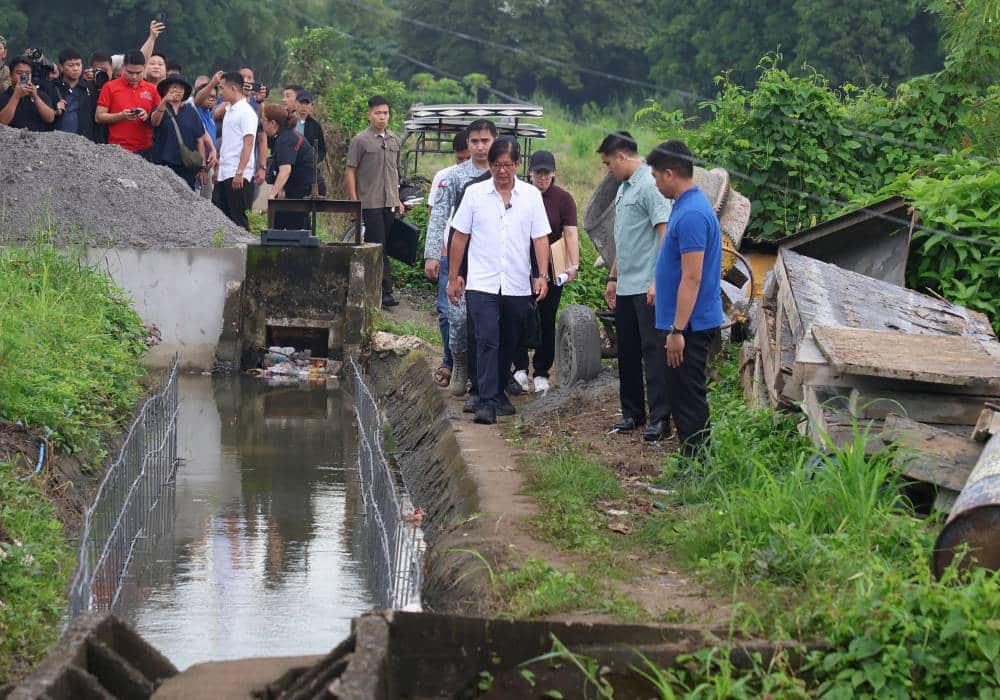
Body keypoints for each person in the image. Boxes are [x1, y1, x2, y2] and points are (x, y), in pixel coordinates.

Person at [447, 137, 551, 425]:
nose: (502, 171)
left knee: (509, 340)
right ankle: (488, 401)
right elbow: (460, 237)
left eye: (507, 165)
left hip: (517, 283)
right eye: (496, 165)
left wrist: (541, 275)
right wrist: (454, 276)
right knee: (487, 339)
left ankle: (494, 394)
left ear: (517, 165)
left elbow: (540, 238)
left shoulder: (531, 196)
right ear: (490, 166)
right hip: (482, 282)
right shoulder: (475, 194)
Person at [649, 140, 723, 456]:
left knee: (689, 399)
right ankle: (690, 462)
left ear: (670, 173)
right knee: (680, 396)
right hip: (683, 324)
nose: (654, 182)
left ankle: (697, 469)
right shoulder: (684, 204)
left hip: (690, 327)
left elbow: (692, 277)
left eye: (655, 175)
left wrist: (678, 330)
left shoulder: (692, 213)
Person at [598, 131, 673, 442]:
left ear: (622, 156)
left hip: (647, 285)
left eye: (608, 163)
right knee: (627, 351)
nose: (607, 169)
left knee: (653, 351)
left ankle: (660, 419)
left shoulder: (649, 186)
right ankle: (632, 413)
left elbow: (665, 233)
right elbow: (625, 240)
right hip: (627, 284)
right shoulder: (624, 188)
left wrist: (659, 278)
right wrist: (613, 277)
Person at [425, 119, 496, 401]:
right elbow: (439, 215)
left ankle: (493, 378)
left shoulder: (503, 173)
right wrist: (432, 254)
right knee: (457, 315)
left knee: (493, 319)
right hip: (459, 256)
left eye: (485, 141)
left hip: (493, 257)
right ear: (467, 144)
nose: (480, 147)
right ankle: (460, 365)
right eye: (474, 141)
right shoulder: (453, 177)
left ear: (495, 140)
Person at [510, 150, 580, 395]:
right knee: (517, 314)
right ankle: (518, 366)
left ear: (554, 173)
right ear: (530, 172)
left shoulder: (563, 199)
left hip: (550, 267)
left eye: (547, 173)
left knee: (546, 318)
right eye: (538, 173)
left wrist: (574, 264)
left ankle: (541, 371)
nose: (543, 178)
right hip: (519, 264)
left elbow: (570, 233)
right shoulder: (518, 194)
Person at [346, 95, 402, 307]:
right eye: (378, 113)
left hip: (390, 201)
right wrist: (354, 202)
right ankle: (384, 291)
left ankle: (377, 288)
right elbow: (350, 170)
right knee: (377, 245)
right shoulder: (360, 140)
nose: (382, 117)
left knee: (385, 245)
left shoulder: (394, 140)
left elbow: (395, 171)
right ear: (369, 114)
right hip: (369, 202)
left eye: (385, 113)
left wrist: (398, 199)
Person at [424, 130, 471, 387]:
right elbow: (436, 216)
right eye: (461, 158)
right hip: (448, 253)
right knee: (446, 311)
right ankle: (449, 361)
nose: (465, 163)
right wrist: (438, 252)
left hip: (476, 256)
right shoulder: (445, 177)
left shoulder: (490, 177)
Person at [150, 74, 215, 190]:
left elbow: (199, 140)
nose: (177, 90)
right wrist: (164, 101)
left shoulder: (191, 111)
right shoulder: (160, 108)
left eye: (181, 88)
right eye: (174, 87)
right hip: (162, 163)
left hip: (186, 166)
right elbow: (154, 122)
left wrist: (202, 168)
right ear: (166, 90)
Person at [260, 104, 321, 230]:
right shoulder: (285, 136)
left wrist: (271, 195)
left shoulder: (285, 139)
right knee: (284, 221)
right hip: (297, 186)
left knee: (288, 225)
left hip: (306, 188)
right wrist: (281, 189)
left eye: (264, 120)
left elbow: (286, 170)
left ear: (273, 123)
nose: (262, 123)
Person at [212, 71, 258, 230]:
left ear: (233, 88)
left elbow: (248, 144)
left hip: (237, 173)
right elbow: (228, 142)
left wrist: (240, 172)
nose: (220, 92)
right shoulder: (229, 110)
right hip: (225, 171)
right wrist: (219, 169)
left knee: (238, 220)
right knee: (220, 215)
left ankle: (243, 252)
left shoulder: (246, 112)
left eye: (222, 88)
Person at [95, 50, 160, 156]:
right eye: (130, 72)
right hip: (116, 149)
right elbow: (98, 117)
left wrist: (147, 116)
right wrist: (121, 115)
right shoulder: (110, 87)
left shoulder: (153, 90)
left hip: (146, 149)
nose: (134, 77)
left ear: (144, 68)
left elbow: (158, 119)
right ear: (123, 67)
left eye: (138, 73)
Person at [53, 49, 98, 141]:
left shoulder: (90, 88)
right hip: (57, 141)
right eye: (71, 65)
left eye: (78, 64)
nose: (76, 68)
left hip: (85, 141)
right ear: (61, 66)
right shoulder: (54, 87)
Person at [0, 56, 56, 131]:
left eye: (27, 73)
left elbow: (50, 118)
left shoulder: (41, 95)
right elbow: (2, 122)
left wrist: (35, 97)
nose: (24, 76)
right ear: (11, 75)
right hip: (12, 140)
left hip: (37, 140)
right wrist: (16, 96)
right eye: (19, 73)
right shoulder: (3, 97)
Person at [295, 90, 326, 162]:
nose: (304, 106)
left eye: (307, 103)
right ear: (296, 103)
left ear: (311, 105)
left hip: (307, 166)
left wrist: (314, 160)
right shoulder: (287, 121)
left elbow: (321, 149)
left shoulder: (315, 125)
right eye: (301, 103)